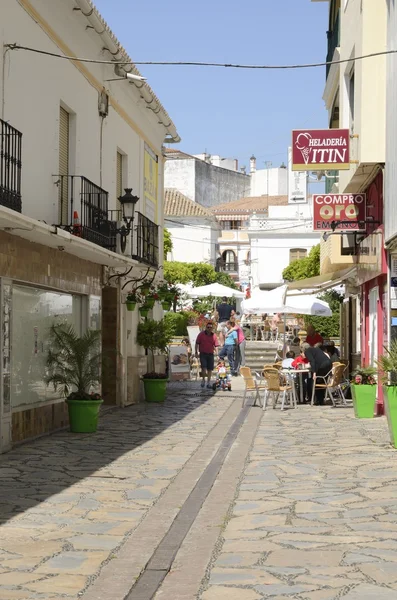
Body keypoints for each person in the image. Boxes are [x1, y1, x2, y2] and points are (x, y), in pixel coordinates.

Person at [195, 321, 219, 389]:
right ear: (206, 327)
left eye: (210, 327)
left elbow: (216, 345)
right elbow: (197, 343)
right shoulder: (201, 334)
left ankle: (208, 382)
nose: (209, 329)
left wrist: (217, 355)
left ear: (212, 328)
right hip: (203, 353)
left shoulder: (214, 335)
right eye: (208, 327)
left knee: (210, 369)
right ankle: (203, 380)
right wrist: (196, 352)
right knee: (203, 368)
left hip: (210, 354)